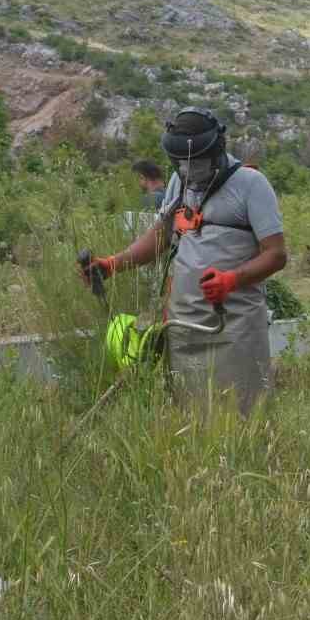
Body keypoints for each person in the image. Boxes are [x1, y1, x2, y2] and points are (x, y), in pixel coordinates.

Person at [89, 108, 287, 415]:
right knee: (191, 414)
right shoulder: (179, 182)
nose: (190, 170)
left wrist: (231, 281)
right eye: (183, 164)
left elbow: (276, 254)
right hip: (184, 324)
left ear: (218, 150)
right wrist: (113, 264)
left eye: (198, 163)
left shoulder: (251, 184)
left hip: (234, 326)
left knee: (241, 415)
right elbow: (160, 236)